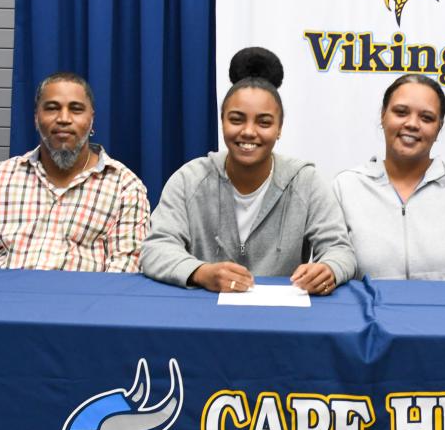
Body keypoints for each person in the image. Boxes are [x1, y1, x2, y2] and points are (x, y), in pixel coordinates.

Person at [141, 47, 355, 294]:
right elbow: (155, 248)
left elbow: (340, 250)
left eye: (264, 122)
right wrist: (200, 272)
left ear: (279, 129)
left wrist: (329, 268)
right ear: (222, 122)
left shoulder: (305, 181)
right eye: (236, 119)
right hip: (204, 314)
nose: (249, 132)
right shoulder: (189, 179)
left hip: (282, 317)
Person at [0, 72, 150, 271]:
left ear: (91, 120)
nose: (64, 119)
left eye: (76, 109)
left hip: (85, 300)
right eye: (52, 108)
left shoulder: (124, 186)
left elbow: (127, 266)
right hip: (5, 298)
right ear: (36, 118)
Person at [332, 74, 445, 281]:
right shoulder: (346, 187)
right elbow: (331, 265)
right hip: (369, 313)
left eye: (426, 118)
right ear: (383, 116)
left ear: (439, 128)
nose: (412, 124)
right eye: (401, 112)